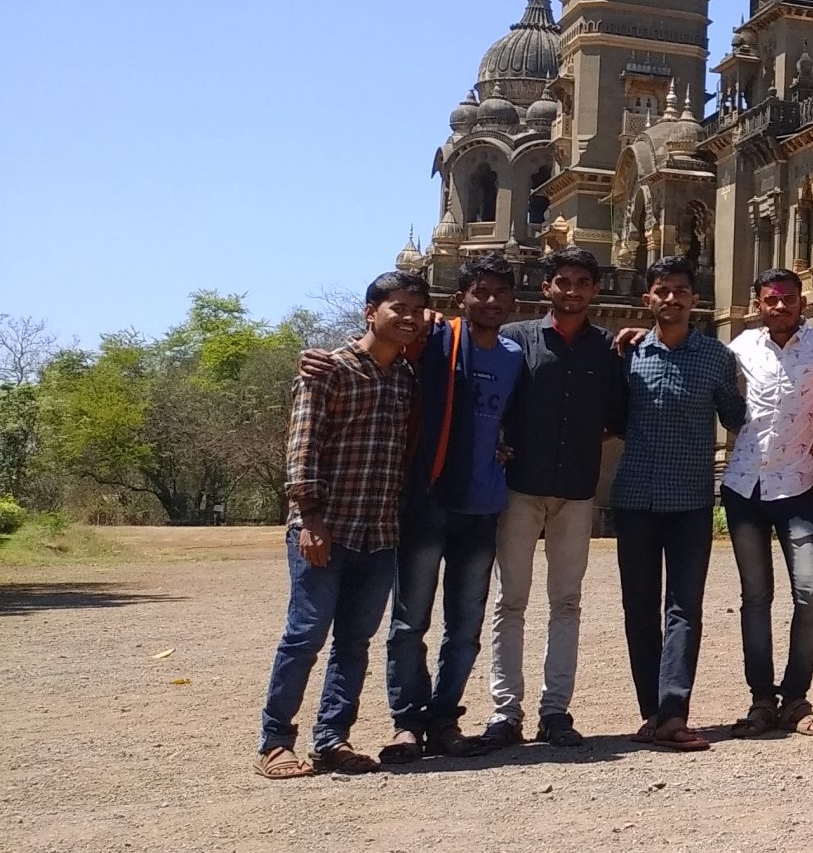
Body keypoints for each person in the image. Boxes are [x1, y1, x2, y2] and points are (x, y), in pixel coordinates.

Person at [255, 271, 426, 778]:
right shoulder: (327, 369)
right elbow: (302, 448)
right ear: (370, 312)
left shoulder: (405, 378)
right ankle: (274, 741)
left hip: (379, 531)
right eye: (399, 308)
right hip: (326, 526)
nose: (409, 317)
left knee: (354, 642)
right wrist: (308, 518)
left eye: (417, 309)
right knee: (305, 635)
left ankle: (331, 739)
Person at [380, 254, 523, 764]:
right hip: (429, 498)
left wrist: (506, 444)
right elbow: (385, 341)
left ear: (513, 301)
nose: (490, 301)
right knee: (408, 622)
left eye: (500, 293)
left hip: (483, 506)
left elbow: (515, 417)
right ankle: (406, 722)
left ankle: (444, 719)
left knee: (464, 625)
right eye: (479, 292)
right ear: (460, 298)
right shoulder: (436, 339)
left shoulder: (513, 354)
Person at [486, 246, 628, 750]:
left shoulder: (607, 349)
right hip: (520, 489)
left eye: (582, 282)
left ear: (595, 289)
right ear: (546, 287)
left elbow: (619, 417)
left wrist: (583, 442)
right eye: (562, 281)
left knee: (566, 602)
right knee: (511, 601)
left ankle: (555, 711)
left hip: (575, 492)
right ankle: (506, 713)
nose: (572, 290)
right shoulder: (515, 340)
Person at [611, 255, 744, 752]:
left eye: (680, 291)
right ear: (648, 299)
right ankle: (653, 711)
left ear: (694, 299)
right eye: (662, 291)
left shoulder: (715, 357)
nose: (671, 299)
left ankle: (673, 710)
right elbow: (607, 414)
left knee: (684, 609)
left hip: (690, 500)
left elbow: (738, 419)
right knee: (639, 608)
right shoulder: (625, 354)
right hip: (635, 498)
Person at [720, 268, 813, 738]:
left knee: (811, 592)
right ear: (758, 303)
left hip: (796, 485)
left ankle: (795, 695)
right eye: (771, 299)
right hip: (744, 487)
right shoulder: (739, 348)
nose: (781, 306)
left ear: (802, 300)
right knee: (756, 598)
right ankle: (761, 698)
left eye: (789, 298)